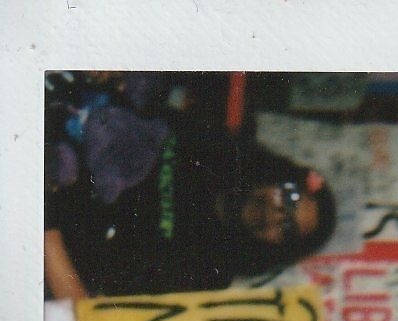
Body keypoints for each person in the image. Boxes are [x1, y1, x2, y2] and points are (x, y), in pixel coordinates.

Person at [44, 77, 337, 299]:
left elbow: (80, 306)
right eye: (289, 196)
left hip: (46, 227)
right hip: (61, 132)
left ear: (279, 248)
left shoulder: (207, 273)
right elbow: (135, 105)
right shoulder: (217, 146)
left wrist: (47, 221)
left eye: (287, 228)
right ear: (280, 175)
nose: (276, 213)